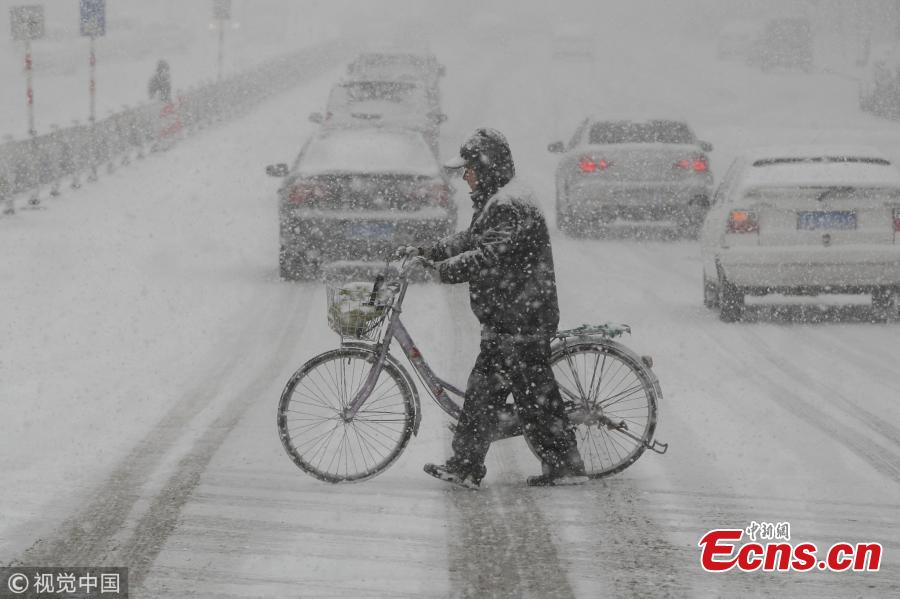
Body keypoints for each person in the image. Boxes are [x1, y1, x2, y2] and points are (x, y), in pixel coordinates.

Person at [401, 128, 587, 488]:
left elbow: (487, 257)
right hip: (511, 316)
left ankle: (556, 466)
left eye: (469, 169)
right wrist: (430, 251)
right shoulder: (500, 199)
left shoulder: (507, 205)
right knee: (504, 395)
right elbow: (473, 239)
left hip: (521, 318)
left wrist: (440, 270)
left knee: (515, 397)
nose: (465, 176)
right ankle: (472, 465)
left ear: (487, 168)